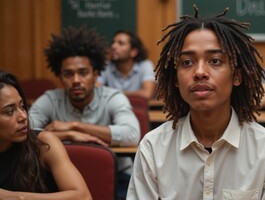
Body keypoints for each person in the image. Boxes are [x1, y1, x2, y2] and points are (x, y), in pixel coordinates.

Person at [127, 6, 265, 199]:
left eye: (214, 61)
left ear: (237, 76)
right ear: (175, 79)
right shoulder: (153, 149)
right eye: (187, 62)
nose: (199, 72)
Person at [29, 26, 140, 200]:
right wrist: (69, 134)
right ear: (60, 77)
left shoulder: (113, 97)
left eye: (83, 73)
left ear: (95, 75)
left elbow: (131, 135)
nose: (76, 81)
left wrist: (76, 125)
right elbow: (24, 132)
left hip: (117, 178)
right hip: (60, 183)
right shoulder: (50, 99)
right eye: (68, 74)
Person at [0, 70, 92, 200]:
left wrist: (16, 197)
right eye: (9, 111)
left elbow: (83, 197)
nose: (23, 116)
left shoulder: (44, 143)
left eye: (22, 107)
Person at [97, 30, 156, 100]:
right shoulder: (106, 66)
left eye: (121, 43)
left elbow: (147, 94)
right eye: (113, 42)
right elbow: (96, 92)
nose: (113, 46)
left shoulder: (145, 65)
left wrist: (116, 94)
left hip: (138, 109)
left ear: (133, 52)